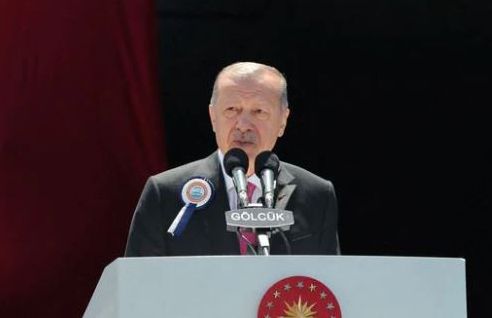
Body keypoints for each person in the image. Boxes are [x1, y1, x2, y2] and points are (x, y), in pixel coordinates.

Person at [124, 62, 340, 256]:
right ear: (213, 117)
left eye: (259, 111)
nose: (243, 125)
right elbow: (138, 286)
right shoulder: (165, 194)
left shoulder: (317, 195)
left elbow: (330, 286)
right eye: (231, 110)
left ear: (283, 121)